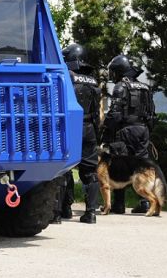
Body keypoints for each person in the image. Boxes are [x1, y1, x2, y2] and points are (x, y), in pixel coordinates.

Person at [103, 54, 156, 214]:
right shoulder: (145, 87)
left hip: (125, 130)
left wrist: (105, 128)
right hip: (142, 130)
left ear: (120, 71)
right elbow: (152, 114)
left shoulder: (121, 87)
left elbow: (115, 114)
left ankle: (119, 204)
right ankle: (145, 202)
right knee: (141, 166)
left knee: (120, 165)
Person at [61, 44, 101, 224]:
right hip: (89, 129)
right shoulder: (93, 81)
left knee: (63, 169)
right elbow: (97, 112)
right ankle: (91, 212)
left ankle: (64, 209)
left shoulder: (67, 77)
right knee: (90, 172)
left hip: (70, 127)